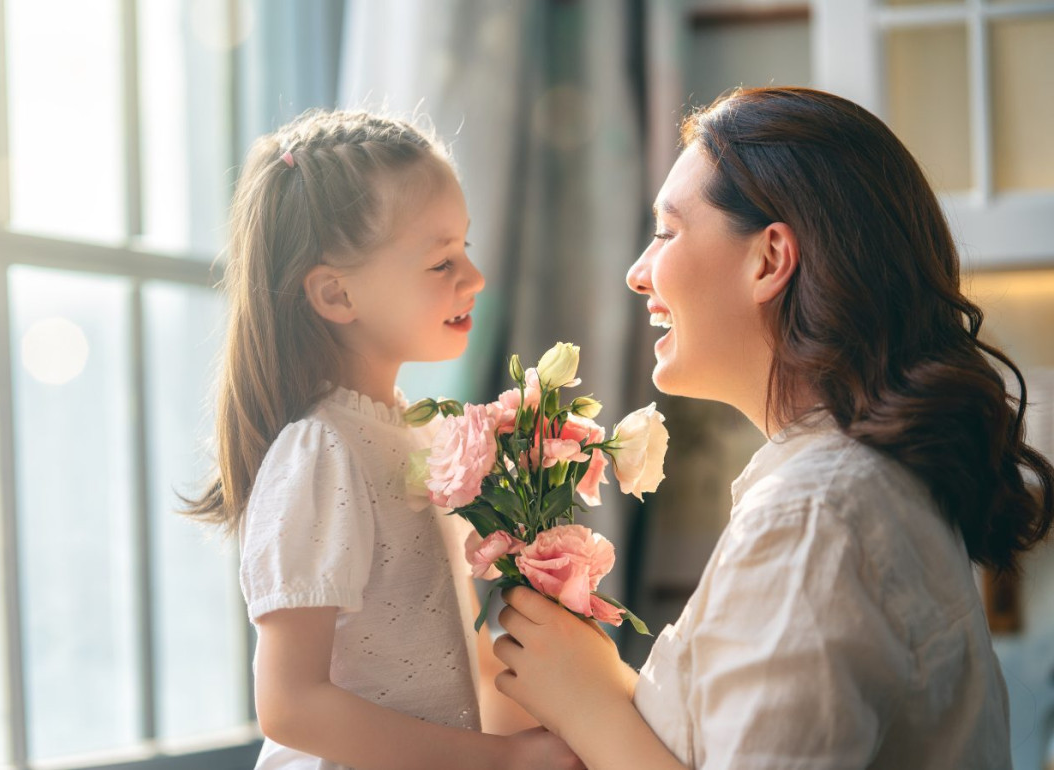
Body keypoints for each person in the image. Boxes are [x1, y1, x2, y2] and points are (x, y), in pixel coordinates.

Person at [492, 86, 1054, 769]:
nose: (638, 274)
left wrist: (590, 704)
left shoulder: (816, 514)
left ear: (769, 260)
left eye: (668, 232)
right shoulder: (852, 490)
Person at [182, 110, 583, 770]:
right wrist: (503, 763)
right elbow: (289, 704)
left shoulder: (418, 433)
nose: (474, 278)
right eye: (440, 261)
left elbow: (458, 643)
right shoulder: (321, 452)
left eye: (467, 249)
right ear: (336, 294)